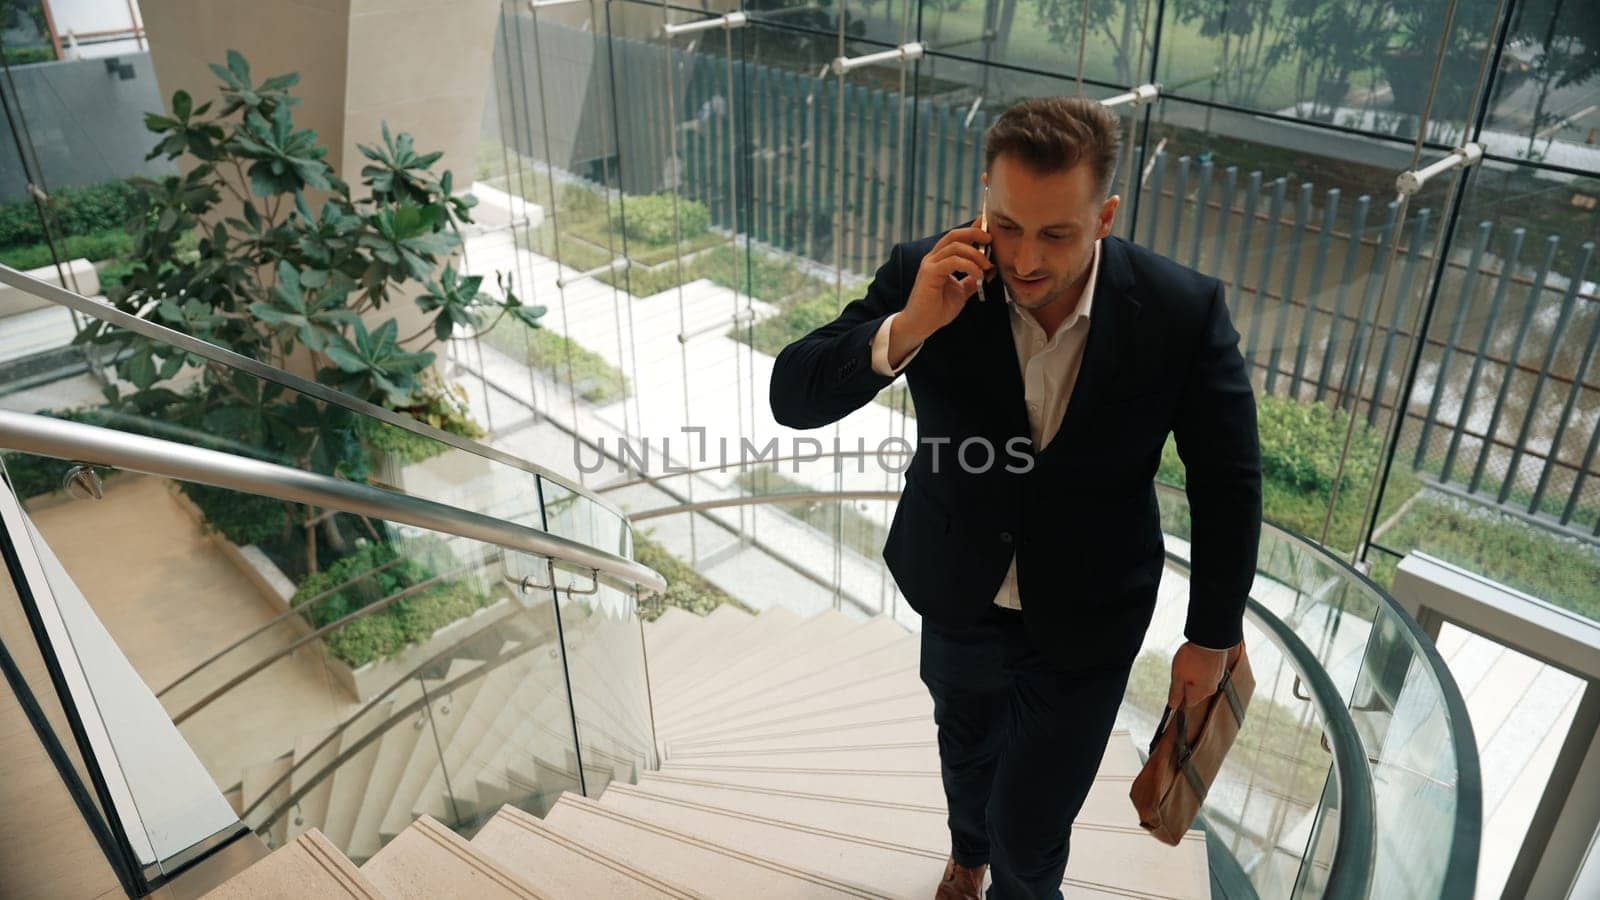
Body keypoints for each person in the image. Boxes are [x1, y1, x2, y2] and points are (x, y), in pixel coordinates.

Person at [768, 97, 1262, 900]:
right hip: (958, 591)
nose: (1026, 259)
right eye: (1008, 225)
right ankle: (967, 855)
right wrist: (911, 323)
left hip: (1090, 616)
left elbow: (1227, 479)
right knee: (965, 754)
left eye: (1056, 233)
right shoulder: (931, 271)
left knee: (1032, 835)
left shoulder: (1181, 311)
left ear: (1103, 217)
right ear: (985, 203)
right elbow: (793, 395)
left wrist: (1211, 636)